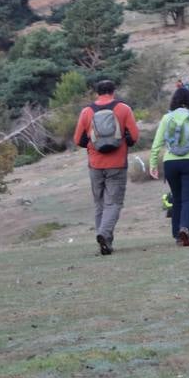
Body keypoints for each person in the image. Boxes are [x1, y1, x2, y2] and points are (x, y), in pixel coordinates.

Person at [73, 79, 140, 256]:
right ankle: (104, 234)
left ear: (96, 92)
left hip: (95, 164)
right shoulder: (124, 109)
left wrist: (93, 146)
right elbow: (134, 137)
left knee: (99, 204)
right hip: (117, 163)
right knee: (114, 203)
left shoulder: (86, 112)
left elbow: (78, 140)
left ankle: (105, 242)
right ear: (113, 91)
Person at [149, 85, 189, 246]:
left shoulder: (166, 118)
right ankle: (185, 228)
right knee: (188, 199)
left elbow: (157, 143)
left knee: (176, 198)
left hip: (170, 162)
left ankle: (177, 234)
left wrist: (153, 163)